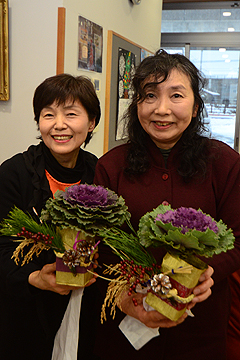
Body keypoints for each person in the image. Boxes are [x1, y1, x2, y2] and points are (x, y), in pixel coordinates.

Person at [90, 50, 240, 360]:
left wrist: (210, 270)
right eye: (150, 96)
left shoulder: (225, 163)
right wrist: (124, 299)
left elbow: (238, 238)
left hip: (201, 330)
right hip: (126, 330)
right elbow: (102, 246)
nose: (162, 109)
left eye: (176, 95)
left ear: (196, 105)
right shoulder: (111, 166)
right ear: (137, 105)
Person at [0, 73, 101, 360]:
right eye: (48, 115)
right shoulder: (14, 174)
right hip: (26, 314)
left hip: (84, 310)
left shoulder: (100, 174)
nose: (59, 125)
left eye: (71, 114)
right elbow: (2, 248)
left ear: (91, 122)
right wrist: (34, 278)